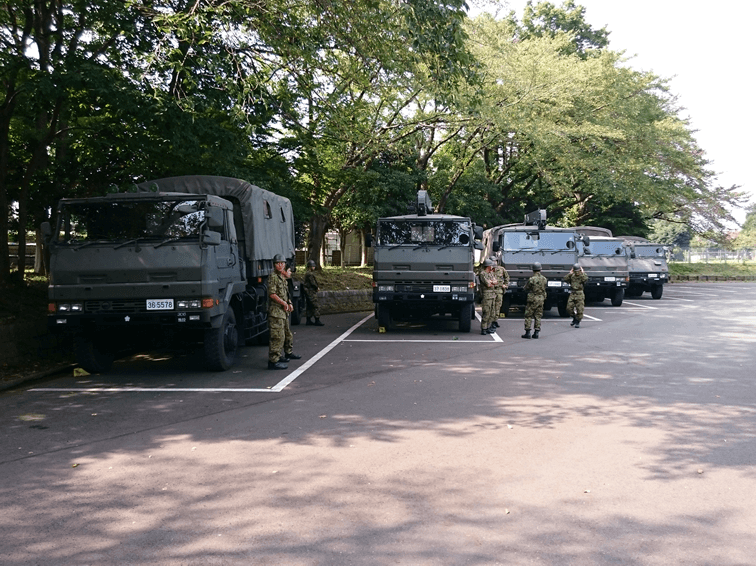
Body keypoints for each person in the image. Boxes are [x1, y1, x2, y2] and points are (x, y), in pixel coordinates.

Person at [267, 255, 302, 369]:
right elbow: (272, 294)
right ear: (274, 265)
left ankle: (285, 353)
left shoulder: (282, 278)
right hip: (276, 311)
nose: (280, 265)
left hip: (283, 311)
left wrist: (289, 303)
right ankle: (273, 361)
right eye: (278, 263)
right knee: (277, 336)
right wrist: (284, 303)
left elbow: (286, 294)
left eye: (282, 263)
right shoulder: (273, 277)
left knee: (287, 334)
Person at [522, 262, 547, 339]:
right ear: (540, 269)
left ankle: (528, 332)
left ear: (533, 270)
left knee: (528, 315)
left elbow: (526, 288)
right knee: (538, 316)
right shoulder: (544, 279)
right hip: (541, 298)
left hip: (532, 298)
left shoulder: (532, 279)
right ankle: (536, 332)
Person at [563, 262, 588, 328]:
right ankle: (574, 317)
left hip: (579, 293)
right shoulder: (572, 276)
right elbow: (565, 279)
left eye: (578, 271)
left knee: (580, 309)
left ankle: (577, 321)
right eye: (575, 271)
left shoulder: (582, 276)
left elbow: (585, 279)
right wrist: (570, 273)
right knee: (569, 308)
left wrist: (582, 272)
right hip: (573, 293)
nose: (577, 273)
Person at [479, 258, 498, 335]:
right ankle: (484, 328)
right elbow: (488, 284)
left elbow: (496, 281)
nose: (492, 267)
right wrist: (491, 282)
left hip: (493, 295)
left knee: (492, 313)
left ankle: (488, 327)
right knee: (486, 312)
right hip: (487, 296)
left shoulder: (491, 273)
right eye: (491, 266)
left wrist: (492, 282)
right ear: (488, 266)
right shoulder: (482, 274)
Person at [304, 259, 324, 326]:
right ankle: (317, 320)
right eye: (313, 266)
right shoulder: (310, 274)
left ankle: (308, 320)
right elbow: (313, 283)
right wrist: (316, 287)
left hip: (307, 292)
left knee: (309, 306)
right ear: (311, 267)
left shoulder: (307, 273)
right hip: (311, 292)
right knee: (316, 306)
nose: (314, 267)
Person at [492, 256, 510, 327]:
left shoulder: (501, 269)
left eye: (495, 261)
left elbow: (507, 277)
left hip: (499, 291)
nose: (494, 263)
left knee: (498, 306)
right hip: (491, 291)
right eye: (493, 261)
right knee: (491, 307)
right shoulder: (488, 270)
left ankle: (495, 320)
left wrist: (505, 284)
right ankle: (490, 321)